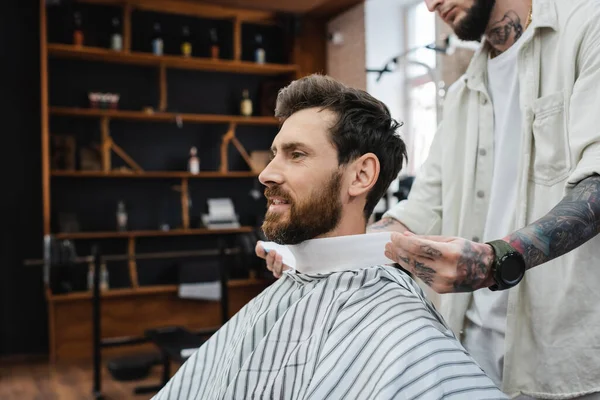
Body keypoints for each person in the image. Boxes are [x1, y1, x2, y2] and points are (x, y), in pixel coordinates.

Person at [263, 0, 600, 398]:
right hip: (468, 349)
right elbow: (421, 209)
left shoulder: (587, 28)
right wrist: (325, 253)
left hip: (560, 356)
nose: (429, 4)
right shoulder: (462, 93)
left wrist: (499, 259)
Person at [151, 74, 507, 400]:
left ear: (360, 175)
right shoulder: (294, 282)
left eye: (296, 155)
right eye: (276, 154)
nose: (266, 174)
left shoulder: (397, 323)